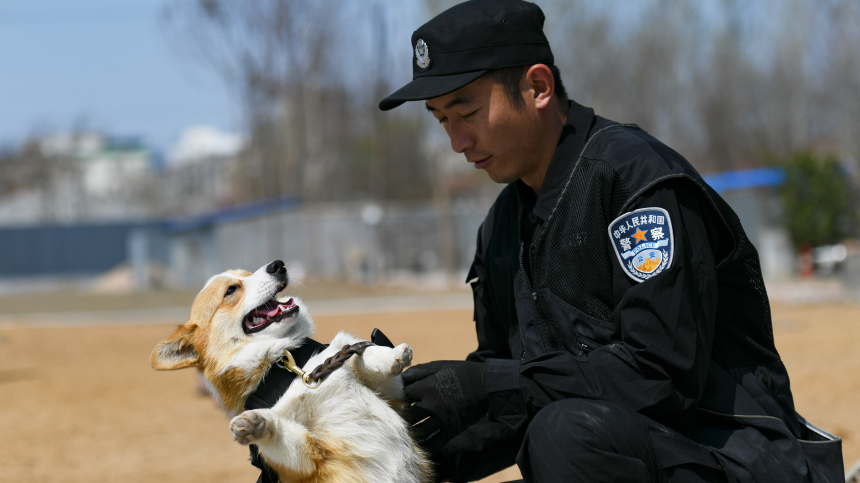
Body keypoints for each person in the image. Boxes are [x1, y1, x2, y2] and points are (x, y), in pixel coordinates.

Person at [378, 1, 844, 482]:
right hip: (620, 451)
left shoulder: (636, 184)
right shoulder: (500, 228)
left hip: (735, 455)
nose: (457, 141)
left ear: (538, 87)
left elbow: (661, 377)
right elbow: (516, 398)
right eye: (441, 121)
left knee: (563, 434)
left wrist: (491, 384)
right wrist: (399, 430)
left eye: (467, 112)